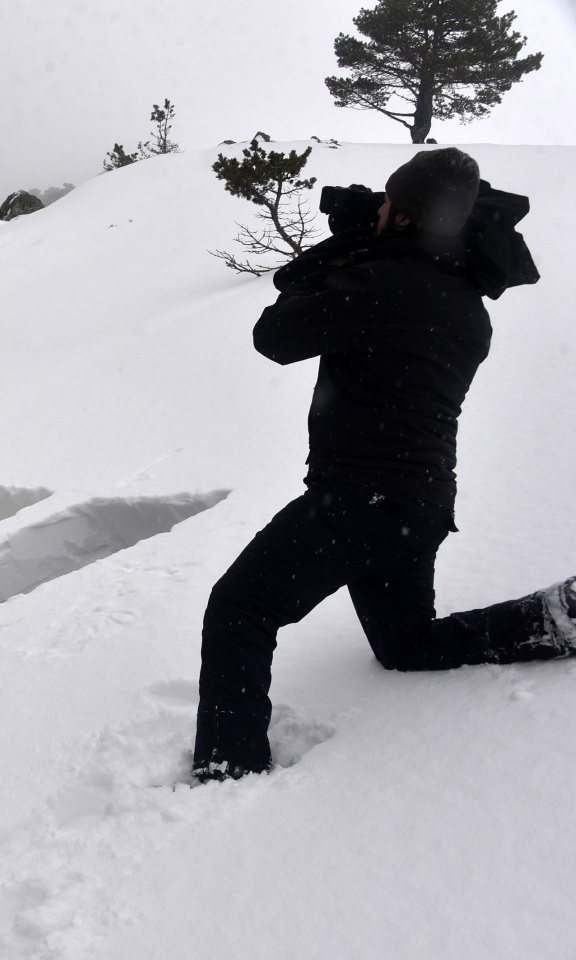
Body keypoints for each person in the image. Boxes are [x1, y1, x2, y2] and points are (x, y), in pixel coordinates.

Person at [193, 147, 560, 782]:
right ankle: (550, 619)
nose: (379, 208)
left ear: (405, 216)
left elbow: (273, 335)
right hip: (420, 508)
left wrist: (344, 251)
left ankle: (230, 767)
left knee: (239, 609)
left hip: (355, 504)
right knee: (406, 644)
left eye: (389, 203)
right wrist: (377, 242)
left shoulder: (384, 284)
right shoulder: (466, 300)